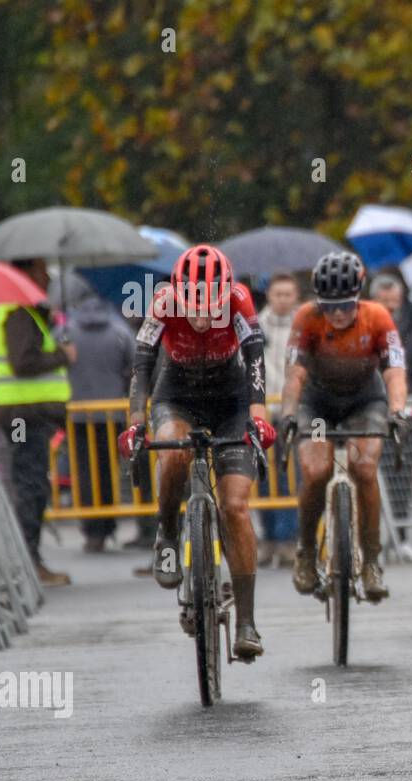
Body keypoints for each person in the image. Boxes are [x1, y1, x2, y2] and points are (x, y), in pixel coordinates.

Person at [119, 245, 275, 660]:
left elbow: (255, 359)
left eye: (212, 305)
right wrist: (136, 422)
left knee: (236, 507)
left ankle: (246, 621)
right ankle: (168, 536)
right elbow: (142, 365)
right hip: (178, 396)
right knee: (173, 455)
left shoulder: (240, 298)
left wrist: (258, 417)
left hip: (232, 401)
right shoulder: (164, 301)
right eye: (196, 305)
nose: (204, 317)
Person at [280, 251, 409, 603]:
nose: (337, 314)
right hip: (318, 406)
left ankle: (371, 562)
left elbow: (394, 371)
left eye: (346, 306)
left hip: (363, 402)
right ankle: (305, 551)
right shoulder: (306, 317)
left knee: (364, 468)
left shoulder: (377, 317)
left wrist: (397, 410)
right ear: (318, 302)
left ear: (359, 297)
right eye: (329, 306)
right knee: (317, 470)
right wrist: (289, 412)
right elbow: (295, 374)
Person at [0, 258, 76, 586]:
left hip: (25, 414)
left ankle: (29, 558)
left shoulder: (23, 314)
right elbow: (22, 363)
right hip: (23, 418)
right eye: (41, 269)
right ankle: (28, 560)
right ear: (25, 274)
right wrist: (63, 356)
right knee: (30, 484)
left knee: (32, 481)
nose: (48, 276)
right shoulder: (18, 313)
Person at [63, 271, 134, 552]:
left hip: (78, 415)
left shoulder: (67, 331)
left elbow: (59, 363)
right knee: (108, 470)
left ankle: (92, 529)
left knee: (84, 471)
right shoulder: (119, 331)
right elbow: (132, 366)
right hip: (112, 414)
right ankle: (108, 523)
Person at [367, 272, 412, 564]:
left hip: (407, 403)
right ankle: (371, 539)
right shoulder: (363, 318)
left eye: (395, 302)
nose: (391, 307)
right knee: (368, 471)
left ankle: (401, 536)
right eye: (386, 302)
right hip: (371, 404)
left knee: (401, 470)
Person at [255, 271, 301, 567]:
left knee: (289, 477)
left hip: (292, 411)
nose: (283, 299)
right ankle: (268, 539)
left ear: (295, 296)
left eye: (288, 294)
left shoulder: (304, 326)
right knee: (262, 478)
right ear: (269, 296)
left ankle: (287, 541)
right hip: (263, 412)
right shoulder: (255, 326)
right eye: (277, 294)